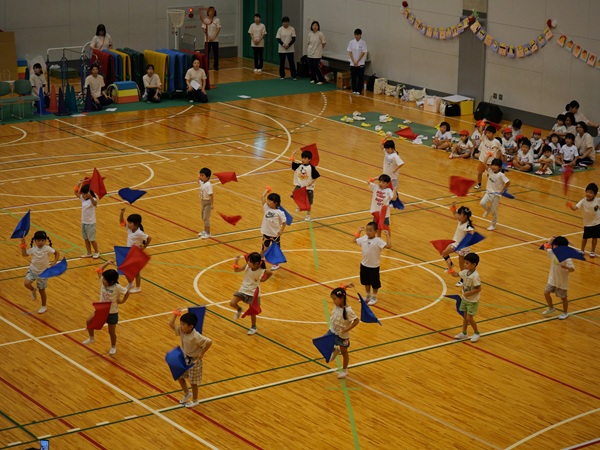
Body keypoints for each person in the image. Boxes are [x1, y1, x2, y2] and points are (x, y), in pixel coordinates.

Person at [82, 261, 130, 355]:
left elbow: (127, 292)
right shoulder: (103, 282)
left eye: (104, 280)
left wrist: (122, 301)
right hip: (101, 310)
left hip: (112, 313)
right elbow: (99, 270)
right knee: (89, 321)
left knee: (111, 332)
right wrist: (107, 263)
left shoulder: (117, 287)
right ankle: (91, 338)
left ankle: (113, 346)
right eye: (103, 278)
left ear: (111, 281)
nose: (102, 280)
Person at [169, 309, 212, 408]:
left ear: (191, 326)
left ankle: (195, 400)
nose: (181, 326)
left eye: (183, 324)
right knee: (179, 376)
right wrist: (175, 314)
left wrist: (202, 353)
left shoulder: (196, 336)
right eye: (181, 323)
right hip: (184, 358)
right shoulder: (183, 332)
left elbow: (209, 342)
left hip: (194, 361)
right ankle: (187, 393)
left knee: (193, 383)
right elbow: (171, 324)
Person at [230, 252, 272, 335]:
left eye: (250, 262)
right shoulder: (247, 266)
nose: (248, 263)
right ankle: (239, 309)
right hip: (243, 289)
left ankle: (253, 327)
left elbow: (270, 273)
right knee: (232, 303)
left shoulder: (261, 271)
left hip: (253, 292)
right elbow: (236, 270)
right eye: (248, 261)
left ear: (256, 264)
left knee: (252, 312)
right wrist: (236, 261)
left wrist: (264, 280)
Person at [21, 231, 59, 314]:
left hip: (43, 273)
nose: (41, 242)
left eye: (42, 240)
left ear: (45, 241)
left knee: (42, 290)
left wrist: (54, 262)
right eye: (38, 240)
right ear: (35, 241)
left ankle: (43, 306)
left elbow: (57, 253)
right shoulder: (33, 249)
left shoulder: (47, 249)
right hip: (32, 270)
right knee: (27, 283)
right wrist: (23, 244)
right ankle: (33, 290)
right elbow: (24, 254)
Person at [353, 221, 392, 305]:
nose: (368, 232)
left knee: (375, 283)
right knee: (366, 282)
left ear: (376, 231)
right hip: (364, 265)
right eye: (367, 230)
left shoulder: (378, 241)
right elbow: (354, 240)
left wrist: (387, 235)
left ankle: (374, 297)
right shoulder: (364, 238)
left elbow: (389, 246)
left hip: (374, 267)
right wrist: (359, 231)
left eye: (370, 230)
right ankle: (367, 296)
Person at [448, 253, 482, 342]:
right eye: (464, 263)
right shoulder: (464, 272)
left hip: (472, 300)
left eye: (467, 263)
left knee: (469, 318)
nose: (464, 264)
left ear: (473, 265)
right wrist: (450, 268)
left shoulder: (475, 276)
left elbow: (478, 289)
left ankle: (477, 332)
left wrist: (468, 293)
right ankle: (464, 333)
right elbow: (455, 275)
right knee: (465, 316)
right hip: (465, 299)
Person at [327, 286, 360, 379]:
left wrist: (346, 329)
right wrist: (346, 286)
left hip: (342, 335)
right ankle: (335, 350)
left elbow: (356, 320)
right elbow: (341, 289)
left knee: (344, 353)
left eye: (335, 299)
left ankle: (344, 370)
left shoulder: (348, 311)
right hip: (333, 331)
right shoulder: (337, 306)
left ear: (341, 298)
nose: (333, 301)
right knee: (325, 342)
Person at [541, 236, 575, 320]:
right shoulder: (553, 253)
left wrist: (566, 267)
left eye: (555, 245)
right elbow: (546, 248)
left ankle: (565, 313)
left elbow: (572, 269)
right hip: (552, 279)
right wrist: (550, 241)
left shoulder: (567, 258)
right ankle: (551, 308)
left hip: (561, 281)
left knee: (563, 298)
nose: (554, 246)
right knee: (546, 293)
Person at [440, 202, 474, 285]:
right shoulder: (460, 221)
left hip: (462, 248)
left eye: (460, 214)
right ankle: (451, 266)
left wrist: (471, 235)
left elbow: (472, 232)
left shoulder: (467, 226)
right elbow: (454, 213)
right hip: (455, 244)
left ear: (465, 216)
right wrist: (453, 207)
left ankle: (462, 280)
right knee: (444, 253)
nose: (458, 216)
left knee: (462, 266)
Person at [119, 208, 151, 293]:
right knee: (125, 269)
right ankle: (130, 283)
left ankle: (138, 287)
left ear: (136, 224)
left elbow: (149, 238)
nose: (128, 224)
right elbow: (122, 222)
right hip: (128, 252)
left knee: (136, 272)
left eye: (130, 223)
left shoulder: (139, 233)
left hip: (135, 253)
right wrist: (121, 213)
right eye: (128, 222)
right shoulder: (130, 229)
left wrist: (144, 247)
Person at [568, 182, 600, 258]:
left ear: (595, 194)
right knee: (585, 237)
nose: (588, 194)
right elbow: (575, 208)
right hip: (587, 223)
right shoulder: (583, 201)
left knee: (594, 237)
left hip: (596, 222)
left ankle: (592, 251)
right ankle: (582, 250)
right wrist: (570, 205)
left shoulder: (598, 200)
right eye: (587, 192)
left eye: (591, 193)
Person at [480, 158, 510, 231]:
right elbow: (484, 163)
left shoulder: (501, 175)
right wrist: (488, 156)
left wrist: (502, 190)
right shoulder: (490, 171)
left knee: (494, 211)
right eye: (493, 165)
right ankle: (488, 209)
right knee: (482, 203)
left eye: (496, 165)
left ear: (499, 167)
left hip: (496, 195)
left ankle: (493, 225)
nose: (493, 166)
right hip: (488, 193)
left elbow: (508, 182)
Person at [260, 189, 287, 270]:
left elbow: (284, 223)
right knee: (264, 248)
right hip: (266, 233)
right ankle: (259, 261)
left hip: (275, 234)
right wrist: (267, 190)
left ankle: (276, 264)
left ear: (275, 203)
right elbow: (262, 196)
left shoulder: (280, 213)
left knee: (276, 249)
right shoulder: (266, 208)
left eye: (270, 201)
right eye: (268, 200)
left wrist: (281, 230)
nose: (268, 202)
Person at [290, 149, 320, 221]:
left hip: (308, 187)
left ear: (309, 159)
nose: (303, 159)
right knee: (295, 195)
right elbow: (292, 164)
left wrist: (312, 182)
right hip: (300, 186)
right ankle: (300, 206)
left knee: (309, 203)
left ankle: (308, 215)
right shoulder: (299, 166)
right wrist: (292, 155)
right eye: (302, 158)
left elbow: (316, 176)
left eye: (305, 158)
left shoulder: (311, 168)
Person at [74, 182, 99, 258]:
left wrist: (90, 197)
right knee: (86, 239)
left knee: (92, 239)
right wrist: (78, 184)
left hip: (91, 223)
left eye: (84, 193)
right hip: (84, 222)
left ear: (88, 193)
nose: (82, 195)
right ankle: (89, 252)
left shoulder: (93, 200)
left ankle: (97, 252)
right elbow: (75, 192)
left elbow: (95, 204)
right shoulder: (83, 199)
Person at [347, 28, 367, 95]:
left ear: (360, 35)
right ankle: (354, 89)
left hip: (360, 63)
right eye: (355, 35)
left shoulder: (363, 43)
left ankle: (359, 90)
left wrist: (357, 61)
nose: (356, 36)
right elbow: (350, 52)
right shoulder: (351, 42)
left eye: (358, 35)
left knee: (360, 77)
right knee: (353, 77)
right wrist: (353, 61)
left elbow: (363, 52)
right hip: (353, 63)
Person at [202, 6, 221, 71]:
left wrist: (213, 37)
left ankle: (216, 66)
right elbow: (204, 29)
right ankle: (206, 66)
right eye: (210, 11)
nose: (211, 12)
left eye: (212, 11)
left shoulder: (217, 20)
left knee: (216, 53)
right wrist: (208, 37)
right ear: (208, 12)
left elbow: (218, 29)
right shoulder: (205, 20)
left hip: (215, 40)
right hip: (207, 40)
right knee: (206, 53)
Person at [197, 167, 213, 238]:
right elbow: (199, 180)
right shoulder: (202, 182)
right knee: (203, 216)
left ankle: (208, 233)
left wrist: (212, 204)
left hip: (208, 203)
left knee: (206, 218)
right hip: (203, 202)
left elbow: (211, 195)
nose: (201, 177)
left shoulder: (208, 185)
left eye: (202, 175)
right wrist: (199, 178)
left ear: (207, 177)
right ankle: (205, 231)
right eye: (200, 175)